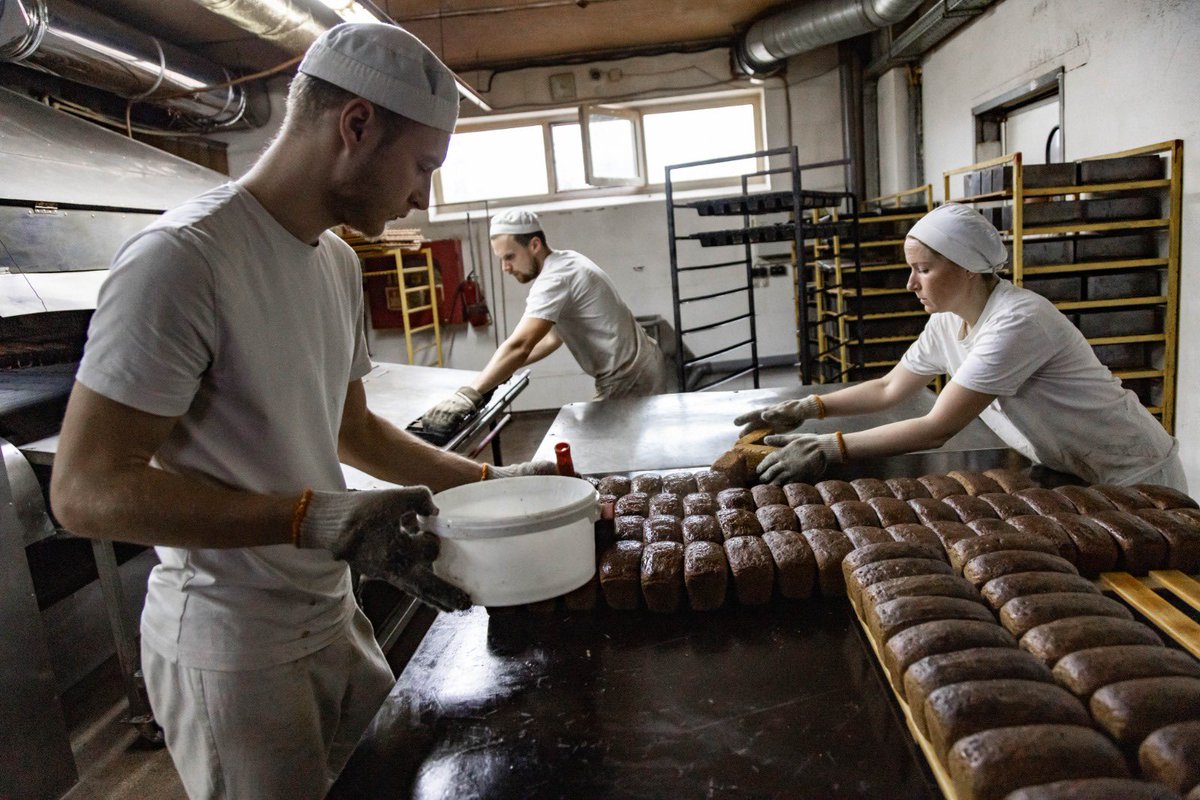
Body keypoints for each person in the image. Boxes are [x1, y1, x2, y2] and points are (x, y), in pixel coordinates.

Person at [49, 22, 549, 800]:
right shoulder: (183, 261)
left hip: (329, 613)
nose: (423, 195)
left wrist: (493, 482)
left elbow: (354, 431)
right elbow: (84, 492)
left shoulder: (336, 260)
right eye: (421, 167)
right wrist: (312, 519)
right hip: (233, 646)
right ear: (356, 126)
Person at [736, 203, 1186, 491]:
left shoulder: (1017, 321)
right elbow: (890, 388)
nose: (911, 283)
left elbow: (937, 427)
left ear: (969, 267)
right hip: (1079, 474)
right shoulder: (947, 322)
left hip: (1137, 474)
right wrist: (809, 407)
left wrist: (829, 448)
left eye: (923, 269)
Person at [421, 209, 669, 431]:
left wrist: (469, 394)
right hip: (642, 363)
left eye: (510, 257)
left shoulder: (554, 279)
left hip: (628, 378)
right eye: (501, 260)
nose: (505, 268)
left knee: (602, 457)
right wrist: (500, 371)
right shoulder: (567, 260)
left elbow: (520, 345)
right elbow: (551, 339)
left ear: (534, 245)